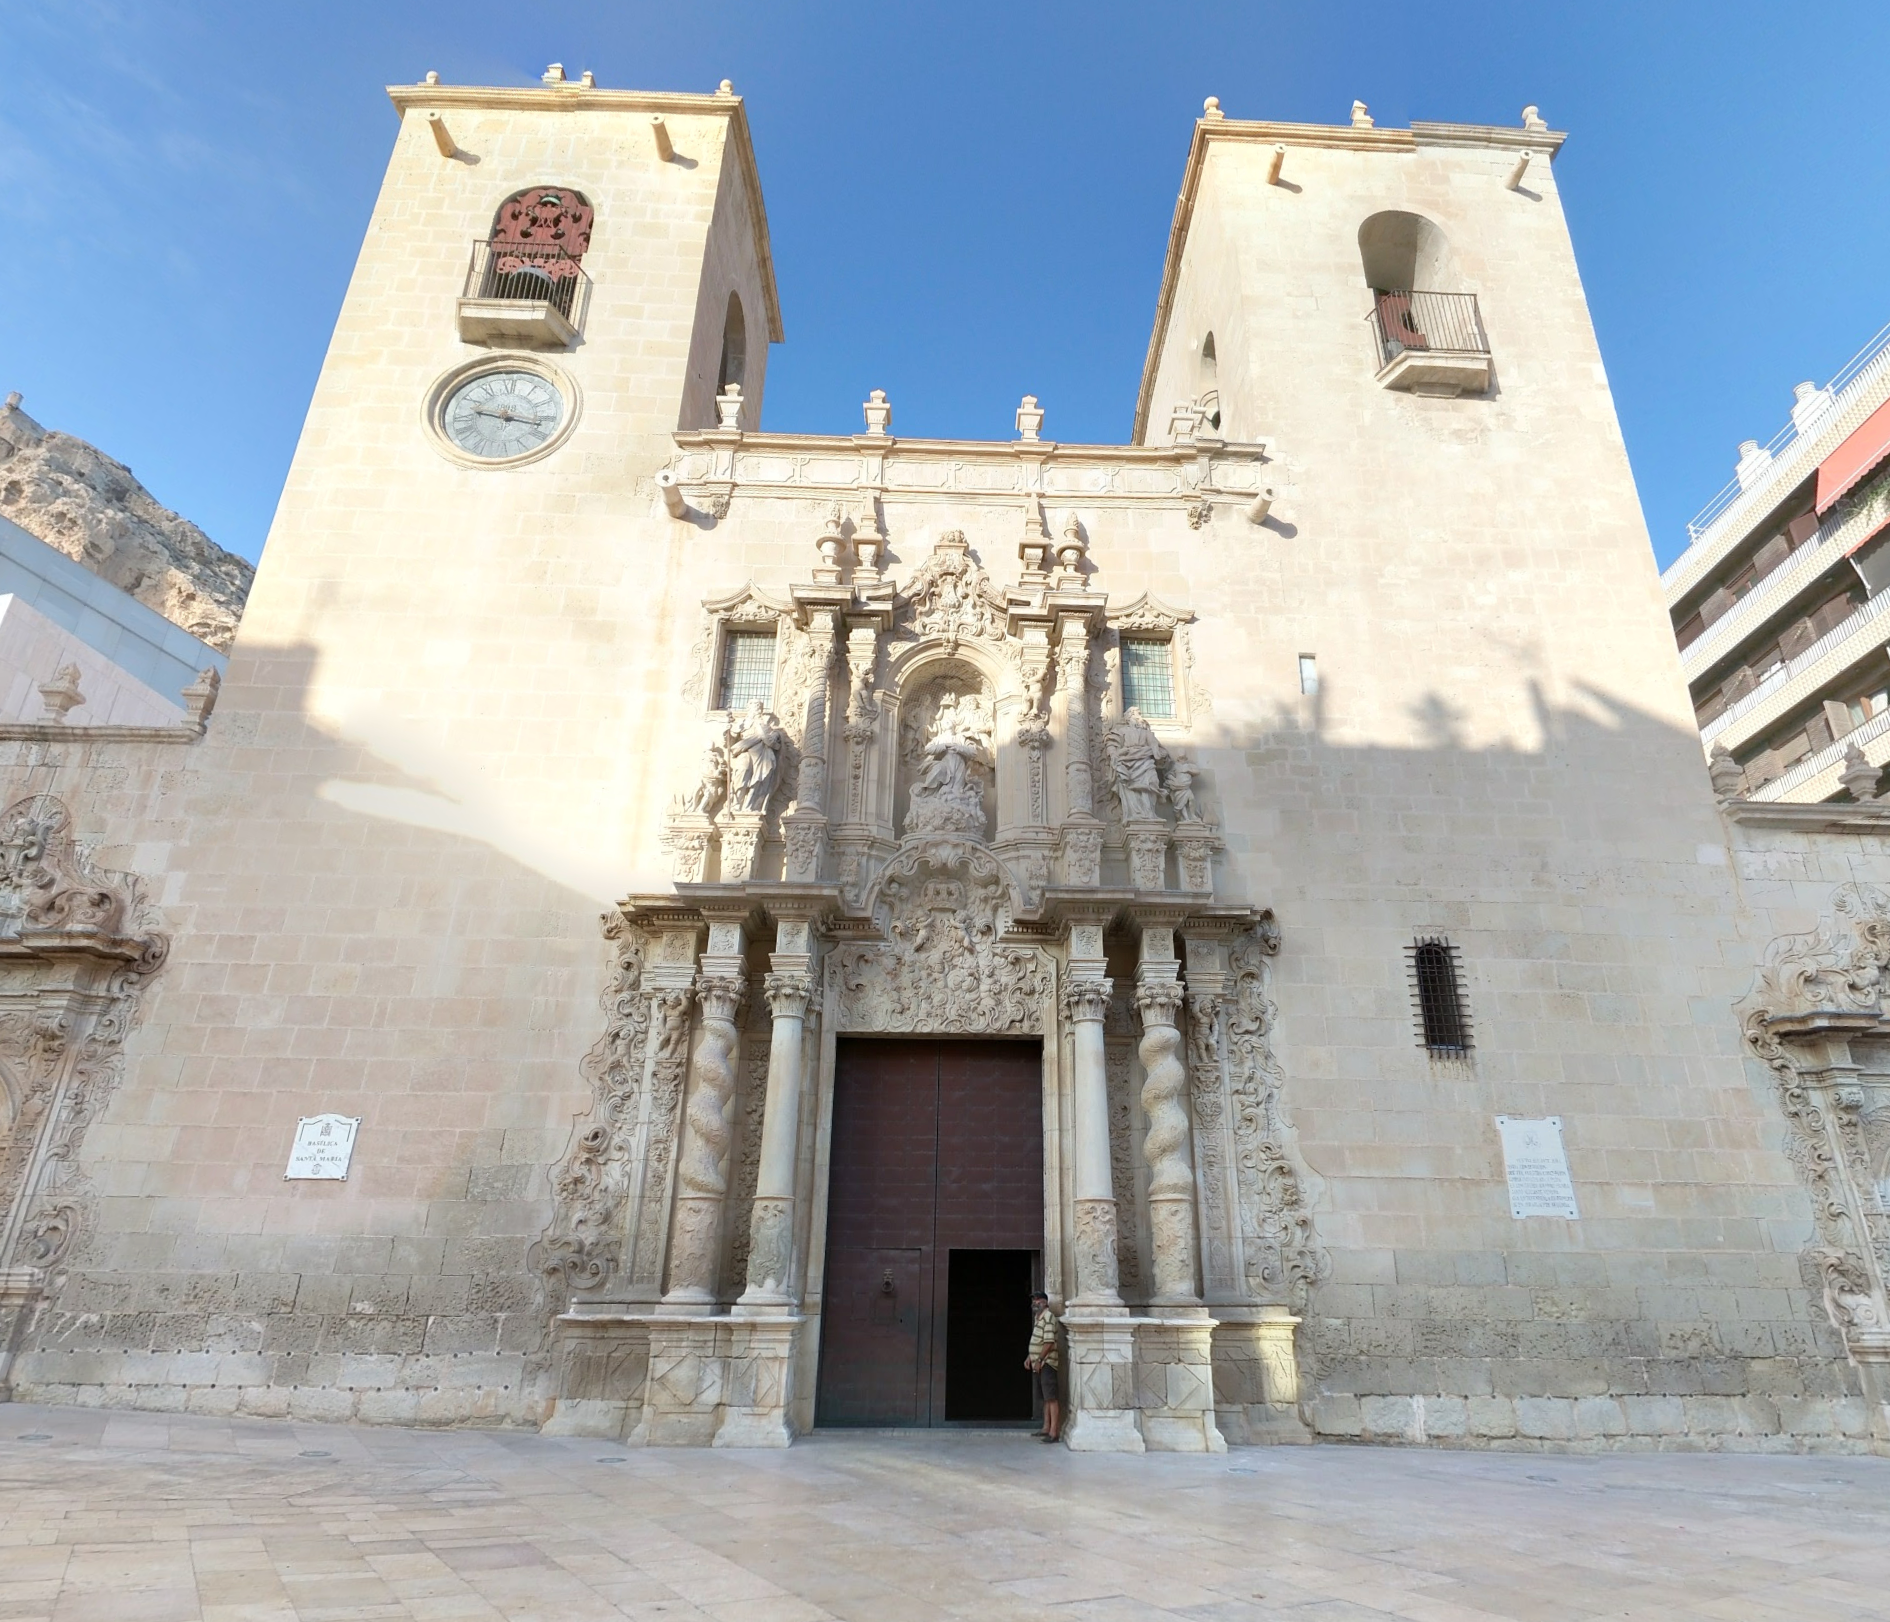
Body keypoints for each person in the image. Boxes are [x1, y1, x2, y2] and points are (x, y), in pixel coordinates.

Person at [1025, 1290, 1061, 1442]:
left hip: (1047, 1363)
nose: (1035, 1302)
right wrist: (1030, 1357)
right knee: (1046, 1398)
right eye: (1034, 1300)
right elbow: (1038, 1341)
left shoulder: (1048, 1317)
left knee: (1051, 1397)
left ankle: (1054, 1432)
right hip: (1038, 1362)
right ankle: (1046, 1427)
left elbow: (1049, 1342)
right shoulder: (1038, 1318)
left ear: (1045, 1302)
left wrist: (1039, 1360)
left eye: (1038, 1300)